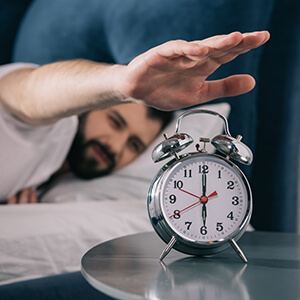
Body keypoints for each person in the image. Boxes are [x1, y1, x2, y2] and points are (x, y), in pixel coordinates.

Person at [0, 31, 270, 203]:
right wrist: (118, 83)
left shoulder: (46, 186)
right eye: (115, 122)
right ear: (86, 106)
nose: (115, 147)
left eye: (133, 145)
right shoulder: (51, 122)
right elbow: (27, 92)